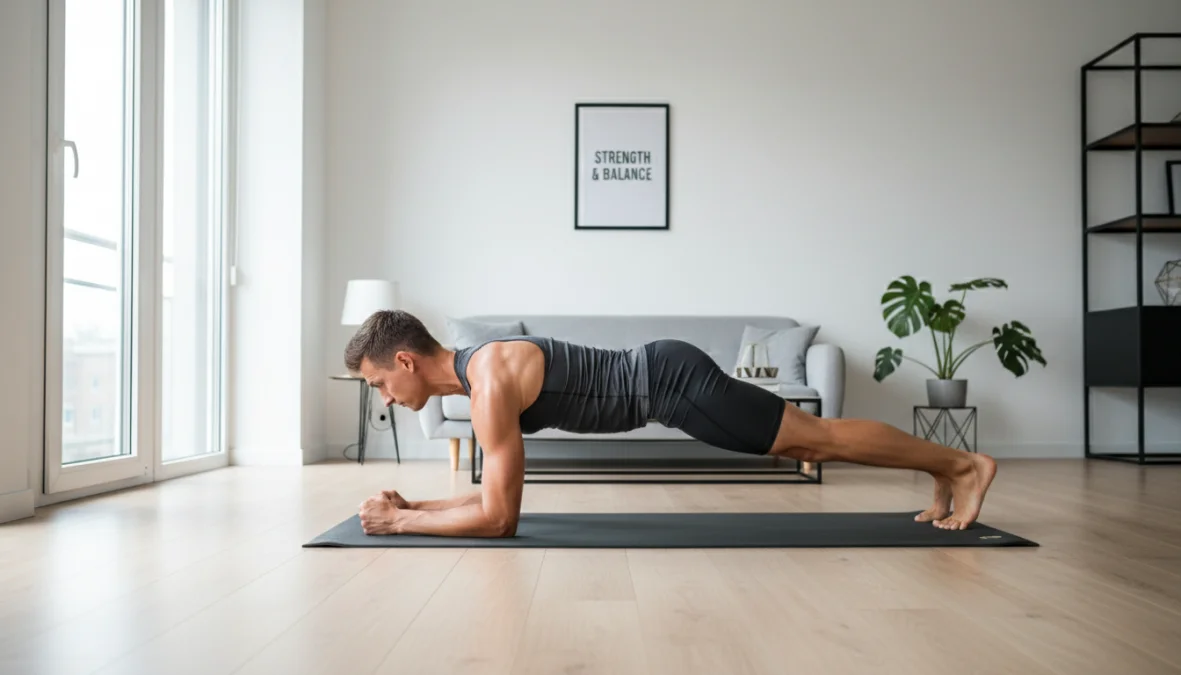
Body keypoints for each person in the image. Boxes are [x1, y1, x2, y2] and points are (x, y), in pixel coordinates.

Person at [346, 310, 996, 538]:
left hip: (671, 386)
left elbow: (498, 518)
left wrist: (402, 520)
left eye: (378, 381)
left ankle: (963, 464)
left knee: (815, 441)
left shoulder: (488, 383)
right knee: (811, 434)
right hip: (667, 373)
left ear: (404, 360)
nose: (384, 395)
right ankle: (942, 467)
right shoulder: (481, 371)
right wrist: (419, 503)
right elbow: (493, 502)